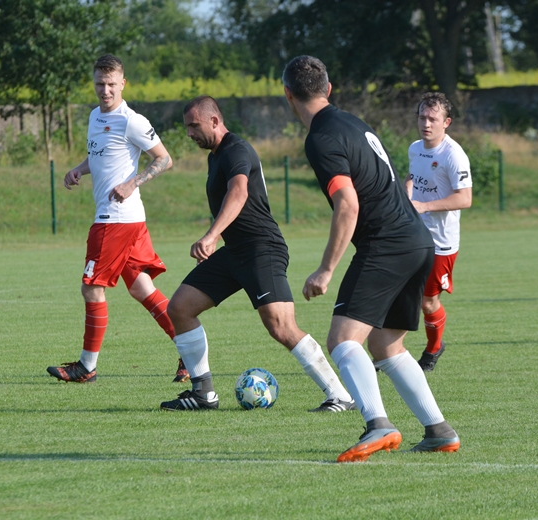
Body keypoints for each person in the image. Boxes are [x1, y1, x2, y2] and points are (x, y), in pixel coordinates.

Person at [282, 55, 460, 462]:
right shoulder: (354, 123)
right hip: (418, 241)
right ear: (328, 89)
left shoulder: (321, 138)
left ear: (288, 96)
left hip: (387, 243)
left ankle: (378, 424)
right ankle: (438, 430)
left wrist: (326, 268)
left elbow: (347, 204)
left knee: (343, 341)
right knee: (386, 345)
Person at [160, 95, 356, 413]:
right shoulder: (215, 157)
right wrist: (218, 238)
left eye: (193, 126)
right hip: (234, 251)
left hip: (262, 248)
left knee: (281, 326)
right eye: (186, 127)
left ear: (214, 120)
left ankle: (340, 395)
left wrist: (211, 235)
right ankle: (203, 394)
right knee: (180, 308)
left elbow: (239, 192)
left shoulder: (236, 149)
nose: (189, 133)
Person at [46, 54, 188, 384]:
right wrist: (78, 170)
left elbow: (164, 159)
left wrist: (132, 182)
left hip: (116, 220)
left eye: (111, 84)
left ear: (123, 83)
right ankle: (189, 351)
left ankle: (86, 366)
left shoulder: (131, 120)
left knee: (91, 288)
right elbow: (100, 155)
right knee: (142, 289)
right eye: (100, 83)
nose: (105, 90)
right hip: (124, 221)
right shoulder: (96, 116)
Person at [405, 92, 472, 372]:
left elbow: (465, 199)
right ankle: (386, 352)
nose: (426, 123)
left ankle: (434, 348)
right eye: (422, 117)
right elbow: (412, 178)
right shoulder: (414, 148)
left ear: (447, 122)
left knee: (427, 301)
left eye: (433, 118)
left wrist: (424, 206)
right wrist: (406, 197)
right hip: (412, 235)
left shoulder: (453, 155)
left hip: (441, 243)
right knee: (396, 292)